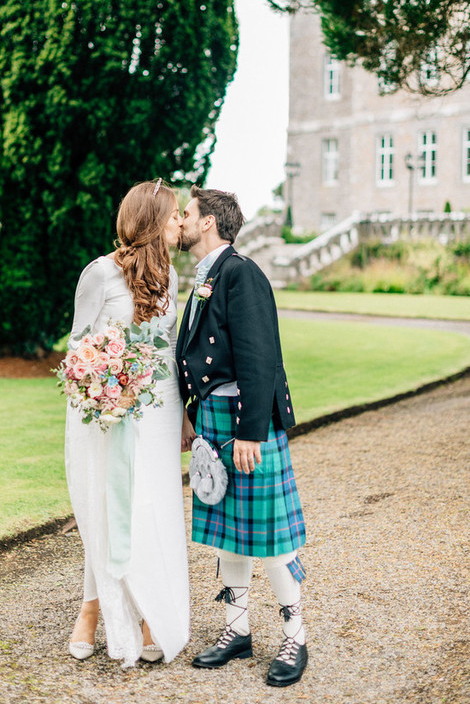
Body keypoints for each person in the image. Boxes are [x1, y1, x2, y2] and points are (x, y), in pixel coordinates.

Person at [176, 186, 308, 688]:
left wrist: (252, 430)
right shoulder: (207, 276)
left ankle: (296, 634)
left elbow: (260, 355)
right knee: (229, 533)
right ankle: (238, 631)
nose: (181, 221)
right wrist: (190, 414)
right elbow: (197, 360)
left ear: (208, 221)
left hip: (241, 421)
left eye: (187, 214)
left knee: (270, 536)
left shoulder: (240, 273)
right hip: (212, 418)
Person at [65, 179, 195, 667]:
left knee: (151, 508)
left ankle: (148, 614)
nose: (181, 220)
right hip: (107, 411)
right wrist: (104, 381)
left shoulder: (172, 278)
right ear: (152, 220)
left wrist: (183, 411)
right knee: (107, 505)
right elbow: (78, 344)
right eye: (175, 213)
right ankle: (92, 609)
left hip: (159, 409)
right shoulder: (99, 273)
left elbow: (167, 351)